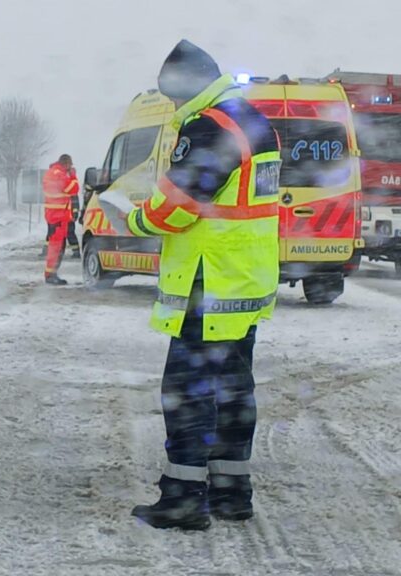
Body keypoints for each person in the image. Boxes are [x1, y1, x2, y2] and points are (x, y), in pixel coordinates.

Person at [126, 40, 281, 530]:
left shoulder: (211, 125)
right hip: (243, 281)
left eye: (172, 94)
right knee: (233, 389)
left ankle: (184, 499)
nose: (172, 103)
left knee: (188, 391)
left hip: (208, 281)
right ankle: (232, 494)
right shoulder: (253, 121)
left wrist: (134, 219)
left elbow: (176, 206)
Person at [42, 154, 80, 285]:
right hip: (58, 216)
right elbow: (73, 189)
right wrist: (73, 176)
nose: (70, 168)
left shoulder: (51, 172)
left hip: (54, 215)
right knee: (56, 247)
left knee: (57, 246)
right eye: (70, 166)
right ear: (66, 164)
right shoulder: (59, 174)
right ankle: (50, 275)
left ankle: (51, 273)